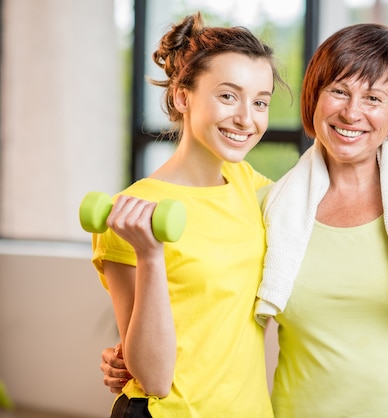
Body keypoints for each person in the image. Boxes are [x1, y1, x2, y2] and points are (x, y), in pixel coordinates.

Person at [101, 23, 388, 417]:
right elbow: (193, 320)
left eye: (374, 98)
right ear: (315, 99)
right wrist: (128, 359)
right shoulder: (276, 205)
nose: (352, 111)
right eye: (338, 91)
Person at [91, 12, 286, 417]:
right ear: (183, 97)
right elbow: (154, 378)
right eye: (228, 96)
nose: (246, 119)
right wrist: (149, 255)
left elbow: (328, 196)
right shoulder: (130, 215)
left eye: (260, 102)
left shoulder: (250, 184)